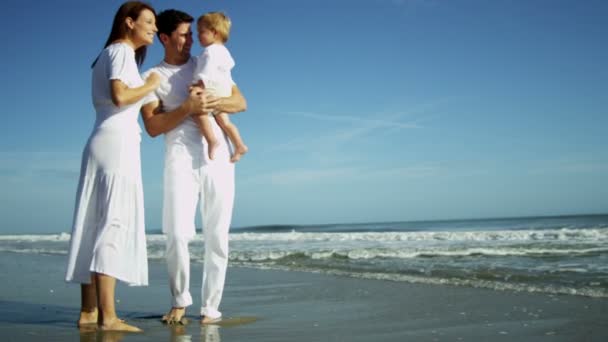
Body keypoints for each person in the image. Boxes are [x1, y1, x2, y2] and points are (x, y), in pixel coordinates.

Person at [140, 9, 247, 324]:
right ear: (164, 37)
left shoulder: (205, 63)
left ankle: (211, 307)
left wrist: (213, 103)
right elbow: (152, 126)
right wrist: (188, 107)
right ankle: (179, 299)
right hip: (180, 158)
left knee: (218, 235)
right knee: (176, 232)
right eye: (183, 35)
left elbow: (240, 102)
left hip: (218, 159)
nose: (189, 41)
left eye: (191, 34)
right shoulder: (152, 77)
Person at [65, 1, 160, 333]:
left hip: (101, 140)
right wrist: (152, 83)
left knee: (94, 223)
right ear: (129, 22)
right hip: (117, 144)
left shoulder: (108, 54)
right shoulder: (121, 51)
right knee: (113, 223)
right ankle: (109, 316)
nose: (155, 28)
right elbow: (120, 96)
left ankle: (89, 312)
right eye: (149, 22)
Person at [191, 11, 248, 163]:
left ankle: (211, 140)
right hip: (224, 90)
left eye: (201, 32)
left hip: (211, 88)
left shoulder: (209, 52)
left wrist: (199, 86)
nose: (198, 36)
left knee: (197, 112)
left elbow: (207, 70)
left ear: (214, 32)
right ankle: (239, 144)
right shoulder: (224, 51)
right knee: (225, 121)